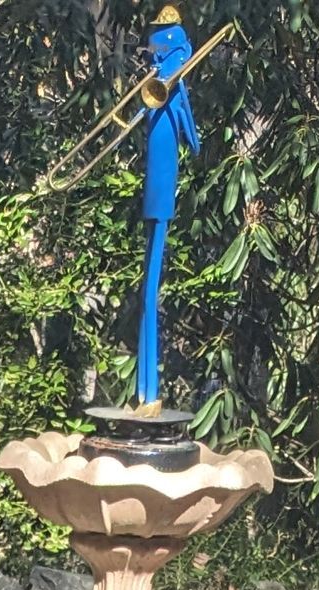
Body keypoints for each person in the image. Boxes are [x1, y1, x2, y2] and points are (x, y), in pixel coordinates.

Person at [137, 8, 201, 408]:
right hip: (156, 186)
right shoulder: (162, 83)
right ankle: (147, 392)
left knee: (149, 287)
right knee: (148, 285)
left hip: (158, 187)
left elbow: (182, 122)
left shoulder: (164, 82)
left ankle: (149, 390)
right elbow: (186, 125)